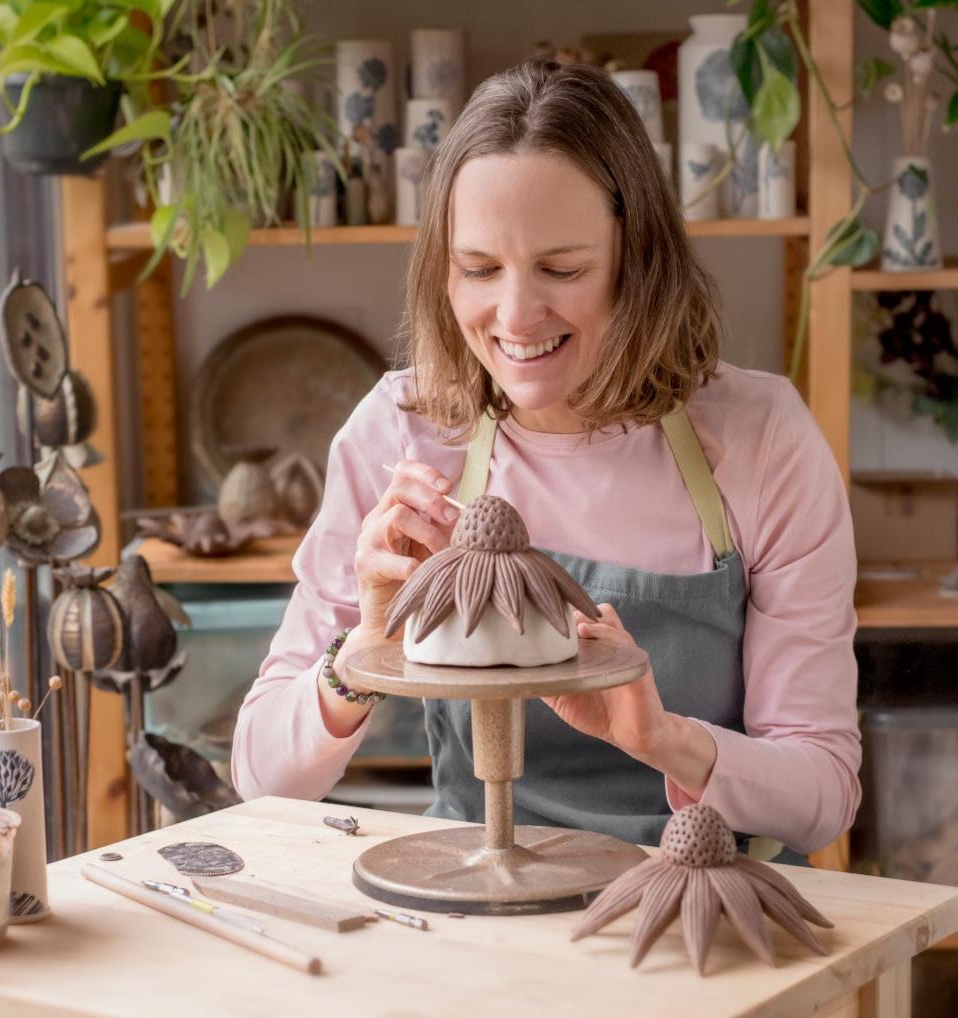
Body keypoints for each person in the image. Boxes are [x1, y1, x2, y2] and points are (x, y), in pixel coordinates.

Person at [231, 60, 860, 862]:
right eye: (478, 269)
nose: (517, 316)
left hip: (705, 897)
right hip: (470, 898)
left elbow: (822, 796)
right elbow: (262, 777)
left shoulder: (761, 438)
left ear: (638, 259)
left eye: (562, 269)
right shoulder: (401, 433)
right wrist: (364, 651)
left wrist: (662, 738)